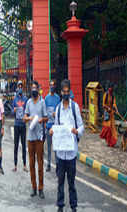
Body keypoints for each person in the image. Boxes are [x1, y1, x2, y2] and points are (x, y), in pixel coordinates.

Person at [50, 79, 84, 212]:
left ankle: (73, 206)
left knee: (71, 182)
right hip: (60, 153)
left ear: (69, 92)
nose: (65, 94)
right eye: (63, 92)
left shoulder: (75, 108)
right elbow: (56, 127)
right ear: (61, 92)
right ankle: (60, 205)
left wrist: (77, 131)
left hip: (70, 152)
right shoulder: (58, 109)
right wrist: (52, 130)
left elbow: (81, 126)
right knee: (60, 181)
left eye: (67, 91)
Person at [23, 81, 48, 199]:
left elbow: (46, 117)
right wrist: (29, 118)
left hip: (39, 136)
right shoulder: (28, 102)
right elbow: (24, 118)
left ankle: (41, 188)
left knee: (40, 163)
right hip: (30, 137)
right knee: (31, 164)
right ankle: (33, 187)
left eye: (35, 88)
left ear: (38, 89)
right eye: (32, 88)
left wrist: (41, 120)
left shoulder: (42, 102)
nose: (33, 90)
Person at [44, 79, 61, 172]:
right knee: (49, 146)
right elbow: (45, 111)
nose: (52, 87)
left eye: (53, 85)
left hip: (56, 126)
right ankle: (49, 164)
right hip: (48, 125)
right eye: (50, 85)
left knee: (56, 147)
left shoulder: (58, 98)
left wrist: (56, 114)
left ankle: (57, 164)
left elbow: (59, 110)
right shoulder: (46, 98)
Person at [12, 80, 28, 172]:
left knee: (23, 145)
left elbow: (27, 111)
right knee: (16, 145)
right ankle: (15, 165)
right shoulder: (15, 99)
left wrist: (26, 116)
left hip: (23, 125)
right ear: (17, 88)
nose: (20, 88)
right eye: (19, 86)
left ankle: (25, 165)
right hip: (16, 124)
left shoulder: (25, 99)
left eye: (21, 86)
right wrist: (13, 110)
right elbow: (11, 111)